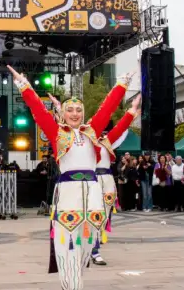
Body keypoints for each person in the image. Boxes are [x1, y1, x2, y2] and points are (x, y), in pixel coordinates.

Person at [7, 65, 128, 290]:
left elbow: (107, 109)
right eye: (70, 110)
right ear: (62, 113)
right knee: (69, 243)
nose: (74, 114)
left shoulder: (92, 132)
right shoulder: (56, 133)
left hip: (93, 193)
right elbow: (38, 112)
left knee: (86, 244)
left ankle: (73, 283)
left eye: (78, 110)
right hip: (68, 193)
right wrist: (24, 85)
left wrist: (122, 84)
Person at [49, 93, 141, 266]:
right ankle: (82, 250)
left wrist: (131, 112)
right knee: (82, 218)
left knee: (101, 217)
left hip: (105, 182)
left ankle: (95, 249)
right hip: (87, 181)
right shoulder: (80, 140)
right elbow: (61, 129)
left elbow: (120, 129)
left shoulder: (107, 141)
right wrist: (59, 109)